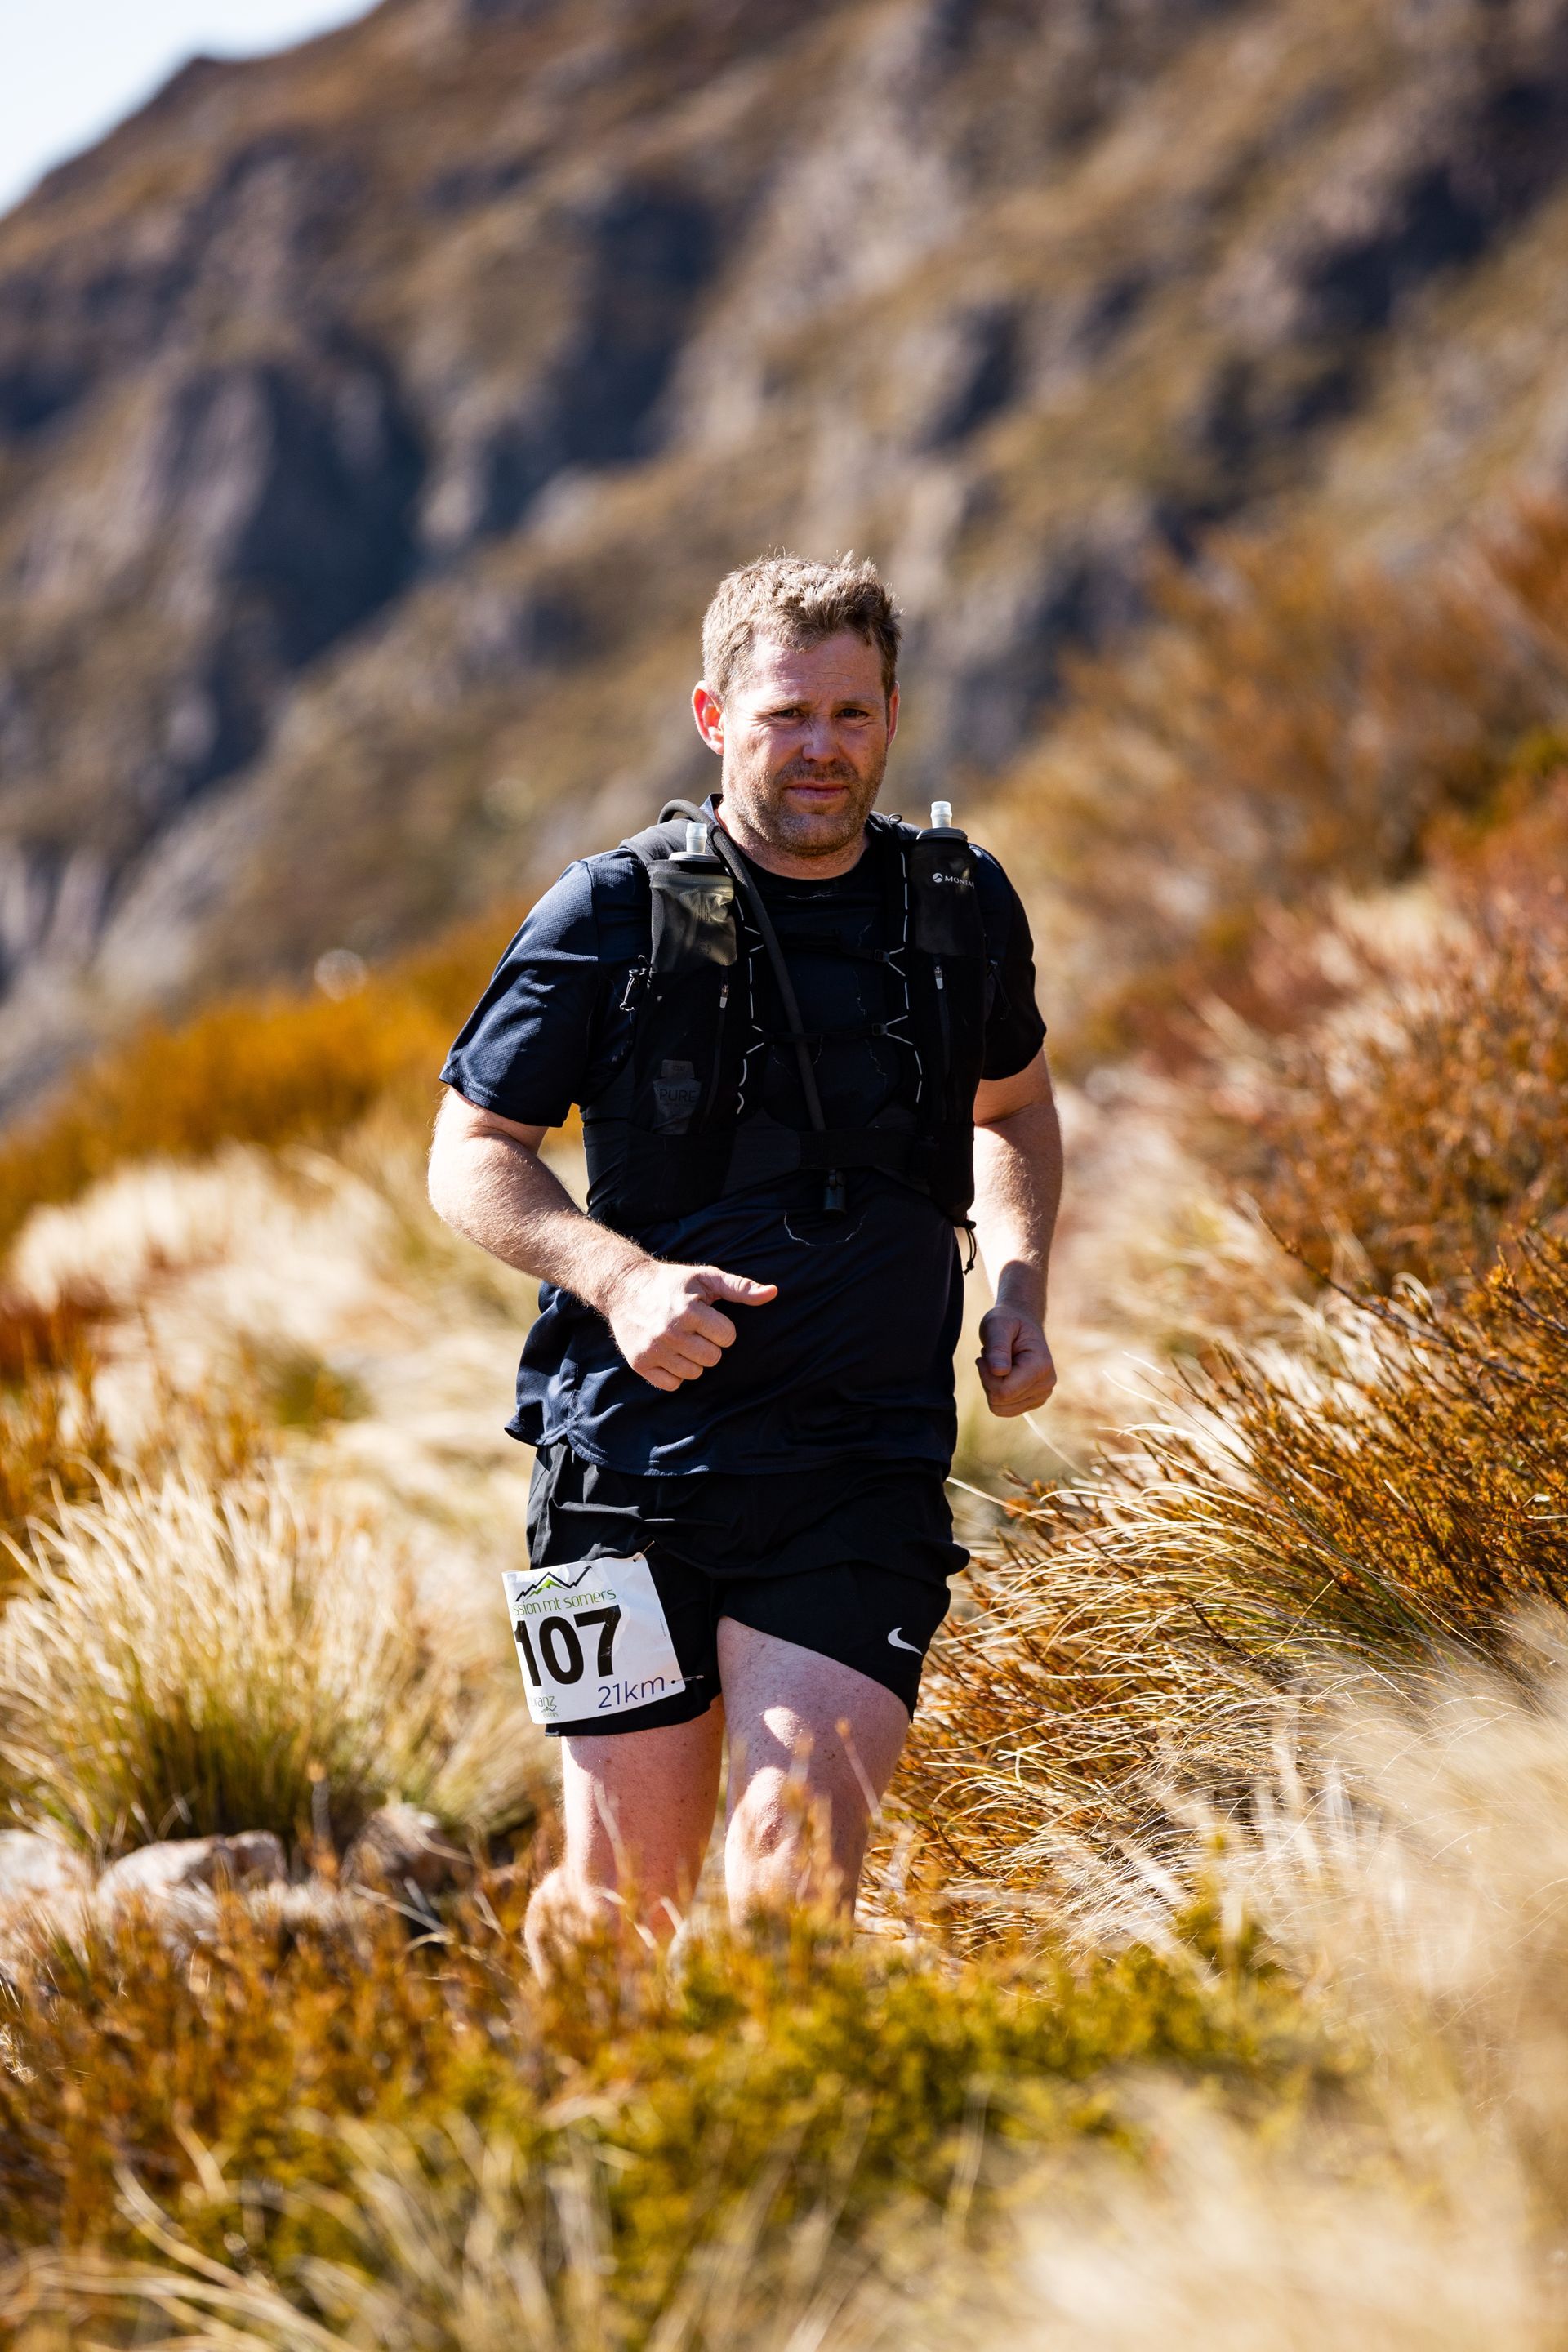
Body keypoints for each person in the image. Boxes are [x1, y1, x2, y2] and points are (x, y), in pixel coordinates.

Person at [427, 553, 1061, 1969]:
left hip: (858, 1469)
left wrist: (1017, 1280)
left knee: (790, 1885)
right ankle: (578, 2165)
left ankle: (765, 2179)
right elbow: (470, 1153)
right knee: (615, 1909)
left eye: (851, 712)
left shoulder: (958, 906)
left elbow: (1014, 1110)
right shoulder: (608, 913)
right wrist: (620, 1281)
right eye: (787, 715)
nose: (822, 747)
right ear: (715, 717)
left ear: (892, 712)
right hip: (617, 1474)